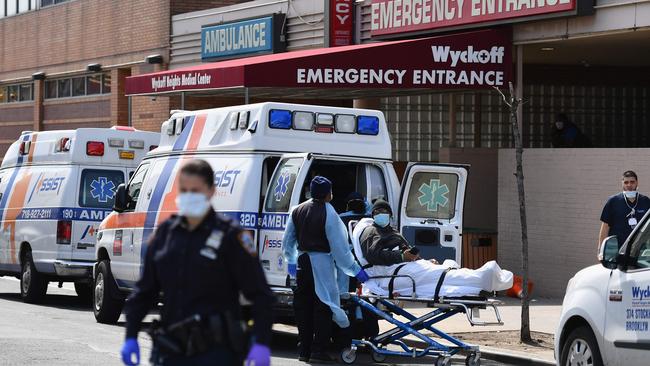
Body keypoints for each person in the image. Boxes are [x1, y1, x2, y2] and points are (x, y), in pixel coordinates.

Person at [120, 160, 274, 366]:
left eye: (195, 190)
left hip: (217, 352)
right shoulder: (165, 236)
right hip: (171, 350)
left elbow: (261, 295)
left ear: (211, 191)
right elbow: (144, 291)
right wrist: (130, 335)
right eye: (184, 190)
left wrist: (261, 342)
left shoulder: (231, 237)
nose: (189, 196)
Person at [282, 176, 369, 363]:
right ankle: (318, 351)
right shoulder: (329, 213)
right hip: (321, 265)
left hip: (302, 264)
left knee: (303, 309)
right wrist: (355, 270)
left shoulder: (297, 210)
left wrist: (291, 263)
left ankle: (304, 350)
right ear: (327, 193)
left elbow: (288, 242)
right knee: (324, 307)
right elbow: (340, 250)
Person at [360, 200, 423, 265]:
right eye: (376, 212)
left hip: (404, 263)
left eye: (384, 211)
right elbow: (372, 255)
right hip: (388, 267)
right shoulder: (371, 231)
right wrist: (401, 256)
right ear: (373, 216)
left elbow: (408, 251)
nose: (380, 214)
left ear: (390, 215)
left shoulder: (394, 232)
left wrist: (423, 262)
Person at [599, 170, 650, 250]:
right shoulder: (613, 201)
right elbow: (605, 227)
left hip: (638, 251)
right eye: (626, 182)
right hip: (617, 250)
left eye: (632, 182)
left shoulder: (645, 201)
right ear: (622, 184)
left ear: (637, 183)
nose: (629, 185)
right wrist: (600, 249)